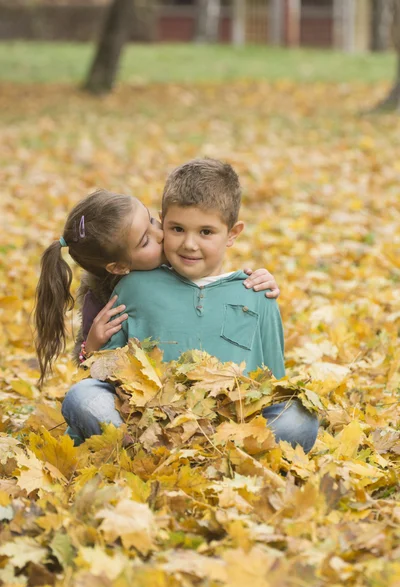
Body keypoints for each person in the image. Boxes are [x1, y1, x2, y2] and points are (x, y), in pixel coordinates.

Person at [62, 159, 318, 453]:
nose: (189, 244)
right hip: (149, 425)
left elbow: (274, 383)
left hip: (230, 428)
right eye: (177, 229)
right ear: (162, 222)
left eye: (206, 232)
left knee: (300, 417)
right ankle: (143, 453)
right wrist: (92, 349)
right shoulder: (135, 286)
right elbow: (107, 372)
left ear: (232, 233)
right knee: (82, 396)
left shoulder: (256, 293)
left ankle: (223, 457)